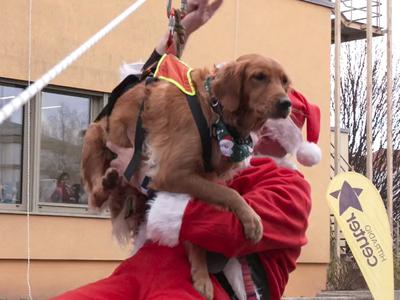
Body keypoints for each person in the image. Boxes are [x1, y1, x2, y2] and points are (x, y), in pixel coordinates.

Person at [54, 1, 321, 299]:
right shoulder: (217, 147)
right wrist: (183, 29)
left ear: (287, 137)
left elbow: (232, 230)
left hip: (208, 286)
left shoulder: (291, 187)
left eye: (263, 120)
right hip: (141, 269)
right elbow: (151, 100)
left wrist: (141, 171)